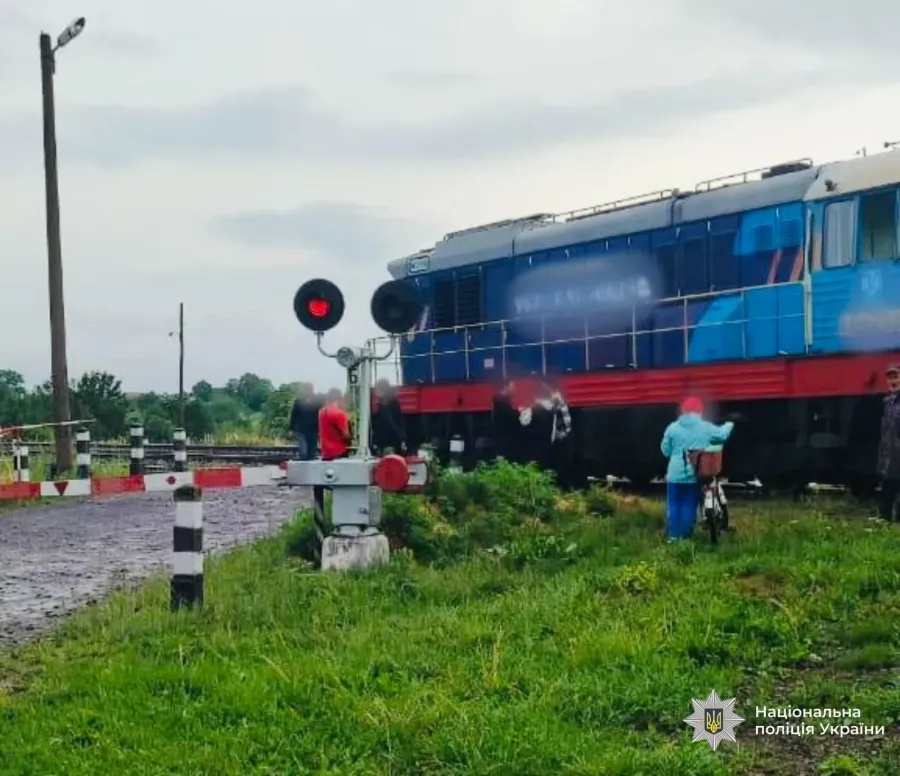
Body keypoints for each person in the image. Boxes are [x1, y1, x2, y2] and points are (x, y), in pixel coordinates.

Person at [660, 397, 734, 542]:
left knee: (674, 506)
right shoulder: (705, 427)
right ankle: (685, 537)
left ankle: (674, 536)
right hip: (693, 475)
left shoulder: (672, 428)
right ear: (700, 411)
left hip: (674, 475)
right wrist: (729, 424)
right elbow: (722, 434)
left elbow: (665, 450)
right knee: (688, 506)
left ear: (683, 411)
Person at [877, 364, 900, 521]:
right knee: (887, 492)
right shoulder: (888, 402)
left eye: (896, 377)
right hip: (890, 455)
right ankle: (885, 523)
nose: (892, 381)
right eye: (890, 378)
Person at [371, 379, 406, 455]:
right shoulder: (392, 402)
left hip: (387, 441)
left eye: (377, 389)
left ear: (381, 390)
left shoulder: (386, 404)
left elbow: (387, 421)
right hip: (392, 440)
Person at [288, 384, 320, 461]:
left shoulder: (317, 402)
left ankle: (311, 459)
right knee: (304, 452)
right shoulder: (298, 402)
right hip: (301, 429)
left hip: (313, 428)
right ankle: (304, 459)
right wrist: (291, 428)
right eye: (306, 390)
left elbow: (320, 415)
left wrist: (321, 428)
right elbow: (294, 415)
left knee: (312, 452)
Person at [318, 389, 352, 461]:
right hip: (339, 452)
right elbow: (345, 435)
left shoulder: (321, 412)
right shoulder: (340, 414)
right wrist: (350, 441)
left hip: (326, 453)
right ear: (339, 399)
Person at [491, 380, 520, 462]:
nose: (514, 389)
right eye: (512, 386)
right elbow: (508, 414)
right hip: (503, 434)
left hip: (502, 433)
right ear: (505, 387)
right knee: (502, 454)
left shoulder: (501, 400)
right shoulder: (502, 401)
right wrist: (518, 412)